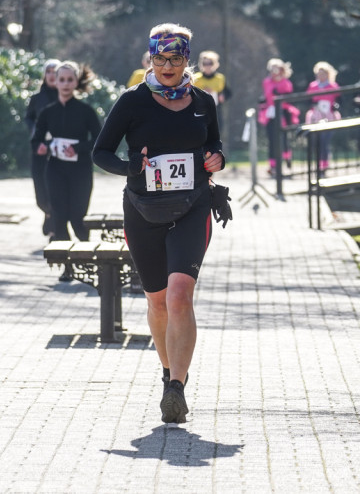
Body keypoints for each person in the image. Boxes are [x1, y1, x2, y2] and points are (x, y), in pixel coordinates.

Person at [93, 23, 225, 424]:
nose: (168, 66)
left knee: (179, 295)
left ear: (188, 59)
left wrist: (216, 159)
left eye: (176, 58)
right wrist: (131, 167)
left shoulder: (203, 100)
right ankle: (167, 371)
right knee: (156, 300)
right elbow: (101, 153)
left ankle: (176, 389)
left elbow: (214, 145)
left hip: (193, 206)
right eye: (160, 58)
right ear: (151, 58)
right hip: (143, 210)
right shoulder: (133, 101)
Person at [31, 60, 102, 277]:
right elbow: (36, 140)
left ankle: (86, 254)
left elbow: (99, 139)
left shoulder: (86, 111)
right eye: (61, 79)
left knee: (78, 216)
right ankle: (67, 266)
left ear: (76, 82)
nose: (65, 84)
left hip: (80, 170)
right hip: (55, 170)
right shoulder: (47, 112)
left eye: (69, 79)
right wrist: (42, 147)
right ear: (55, 82)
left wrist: (78, 148)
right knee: (59, 215)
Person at [25, 59, 61, 237]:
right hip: (40, 148)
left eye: (56, 72)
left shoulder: (66, 97)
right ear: (44, 75)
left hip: (60, 151)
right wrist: (36, 132)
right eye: (49, 72)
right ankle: (47, 212)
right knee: (41, 190)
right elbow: (29, 118)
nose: (52, 76)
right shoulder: (36, 99)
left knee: (56, 187)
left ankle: (55, 226)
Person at [257, 57, 299, 176]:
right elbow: (266, 95)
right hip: (270, 113)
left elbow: (289, 97)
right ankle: (273, 165)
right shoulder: (266, 81)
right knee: (272, 139)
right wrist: (263, 101)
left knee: (283, 138)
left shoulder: (285, 82)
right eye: (271, 69)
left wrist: (280, 95)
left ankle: (287, 158)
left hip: (283, 112)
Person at [305, 62, 341, 172]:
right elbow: (308, 100)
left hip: (329, 116)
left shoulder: (333, 86)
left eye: (323, 74)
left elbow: (339, 100)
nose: (321, 76)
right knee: (317, 140)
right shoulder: (313, 86)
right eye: (319, 74)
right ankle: (319, 163)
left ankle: (324, 164)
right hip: (316, 116)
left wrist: (335, 106)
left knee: (325, 140)